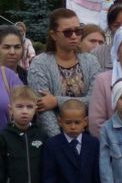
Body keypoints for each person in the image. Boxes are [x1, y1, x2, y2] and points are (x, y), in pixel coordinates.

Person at [26, 8, 103, 139]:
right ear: (53, 34)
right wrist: (60, 143)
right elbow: (44, 110)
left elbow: (94, 101)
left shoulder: (91, 61)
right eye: (67, 32)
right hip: (52, 141)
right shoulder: (39, 64)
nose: (74, 36)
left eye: (78, 31)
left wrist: (56, 101)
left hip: (88, 138)